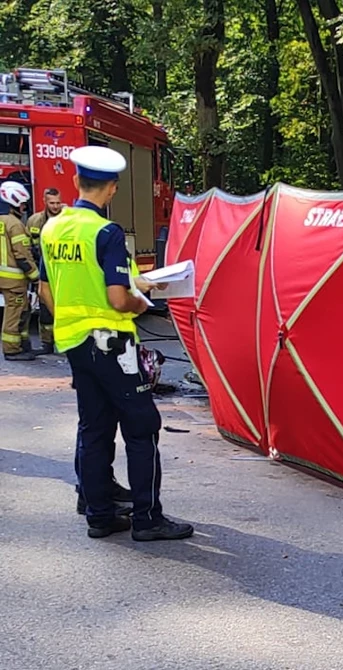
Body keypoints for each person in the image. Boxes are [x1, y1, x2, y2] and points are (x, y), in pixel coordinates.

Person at [38, 146, 194, 541]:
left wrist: (74, 321)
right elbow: (117, 298)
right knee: (143, 426)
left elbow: (45, 289)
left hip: (74, 342)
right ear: (112, 190)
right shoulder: (106, 233)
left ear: (75, 182)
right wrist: (142, 299)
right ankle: (147, 519)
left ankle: (100, 515)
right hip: (112, 344)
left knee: (94, 427)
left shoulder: (52, 228)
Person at [0, 180, 39, 361]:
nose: (24, 207)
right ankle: (11, 350)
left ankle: (22, 343)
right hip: (14, 280)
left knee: (23, 309)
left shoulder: (2, 221)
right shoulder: (15, 224)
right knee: (14, 311)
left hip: (4, 277)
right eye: (23, 204)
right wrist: (36, 277)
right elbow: (22, 255)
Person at [27, 187, 64, 354]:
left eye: (58, 202)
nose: (55, 206)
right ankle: (47, 343)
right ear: (45, 201)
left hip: (64, 270)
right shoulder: (35, 221)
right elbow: (27, 247)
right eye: (52, 203)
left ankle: (65, 343)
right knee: (45, 309)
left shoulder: (67, 219)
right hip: (44, 268)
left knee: (65, 308)